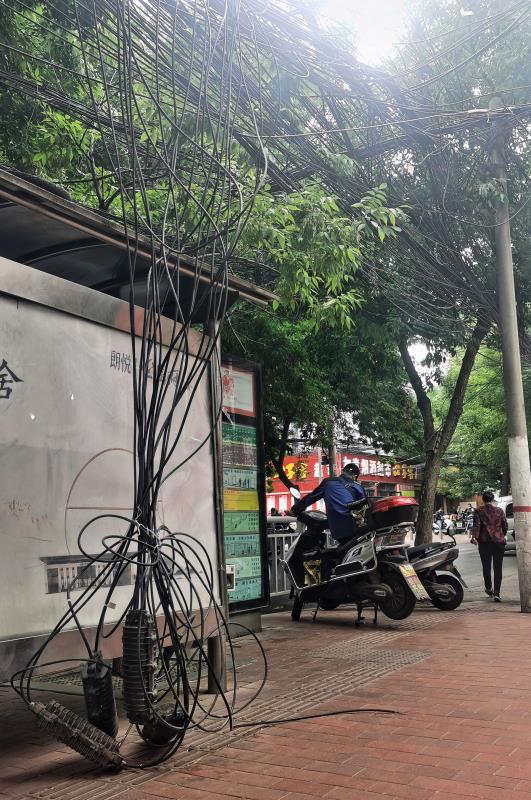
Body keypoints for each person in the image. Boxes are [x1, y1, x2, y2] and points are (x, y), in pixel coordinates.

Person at [292, 462, 366, 542]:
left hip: (337, 529)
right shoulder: (359, 487)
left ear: (343, 471)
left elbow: (311, 497)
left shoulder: (328, 482)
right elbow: (364, 507)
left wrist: (295, 509)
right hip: (356, 528)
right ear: (354, 476)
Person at [471, 490, 507, 602]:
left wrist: (474, 537)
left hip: (485, 542)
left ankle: (488, 588)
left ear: (483, 499)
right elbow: (504, 526)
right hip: (499, 542)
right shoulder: (499, 511)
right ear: (492, 499)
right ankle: (497, 593)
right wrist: (501, 534)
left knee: (486, 567)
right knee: (498, 567)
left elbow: (477, 525)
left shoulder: (478, 511)